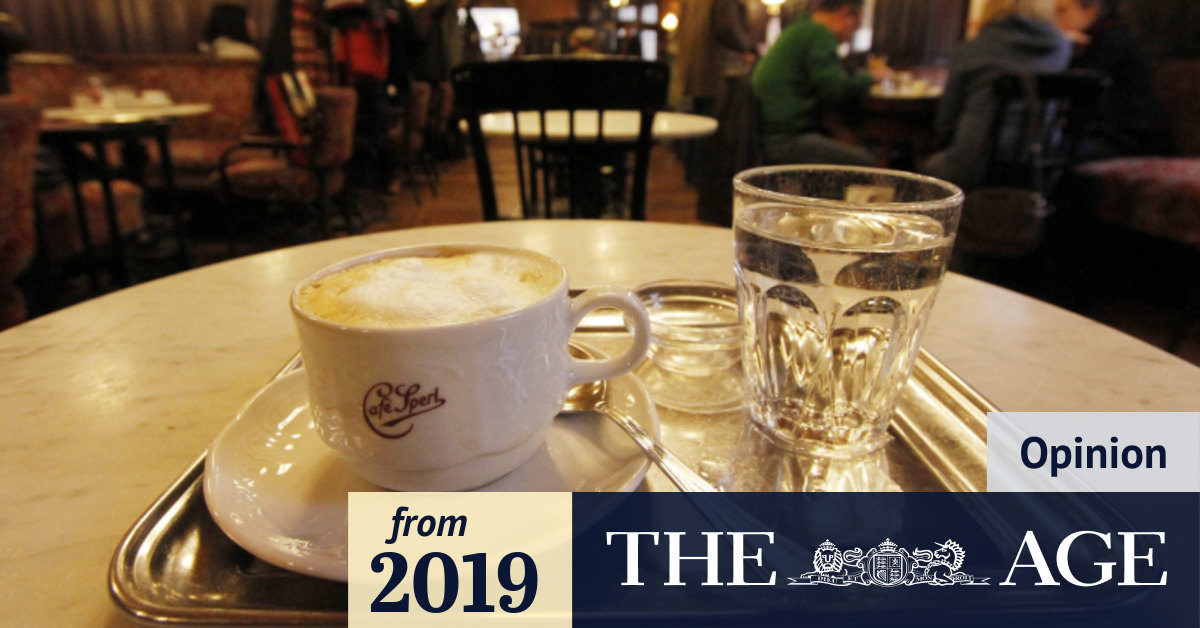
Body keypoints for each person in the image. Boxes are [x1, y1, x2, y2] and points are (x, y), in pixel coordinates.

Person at [922, 0, 1070, 190]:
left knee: (927, 167)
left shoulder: (972, 49)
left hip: (973, 169)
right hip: (1039, 167)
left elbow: (945, 125)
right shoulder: (1061, 49)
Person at [751, 0, 889, 167]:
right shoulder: (818, 34)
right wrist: (871, 78)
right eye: (855, 26)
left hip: (768, 135)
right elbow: (837, 91)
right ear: (845, 13)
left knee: (847, 140)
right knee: (867, 164)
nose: (852, 34)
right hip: (785, 139)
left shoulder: (802, 28)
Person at [1053, 0, 1170, 159]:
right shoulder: (1098, 40)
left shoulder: (1111, 41)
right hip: (1110, 137)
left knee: (1048, 154)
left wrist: (1059, 46)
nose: (1054, 19)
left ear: (1090, 11)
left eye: (1062, 11)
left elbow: (1073, 83)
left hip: (1130, 142)